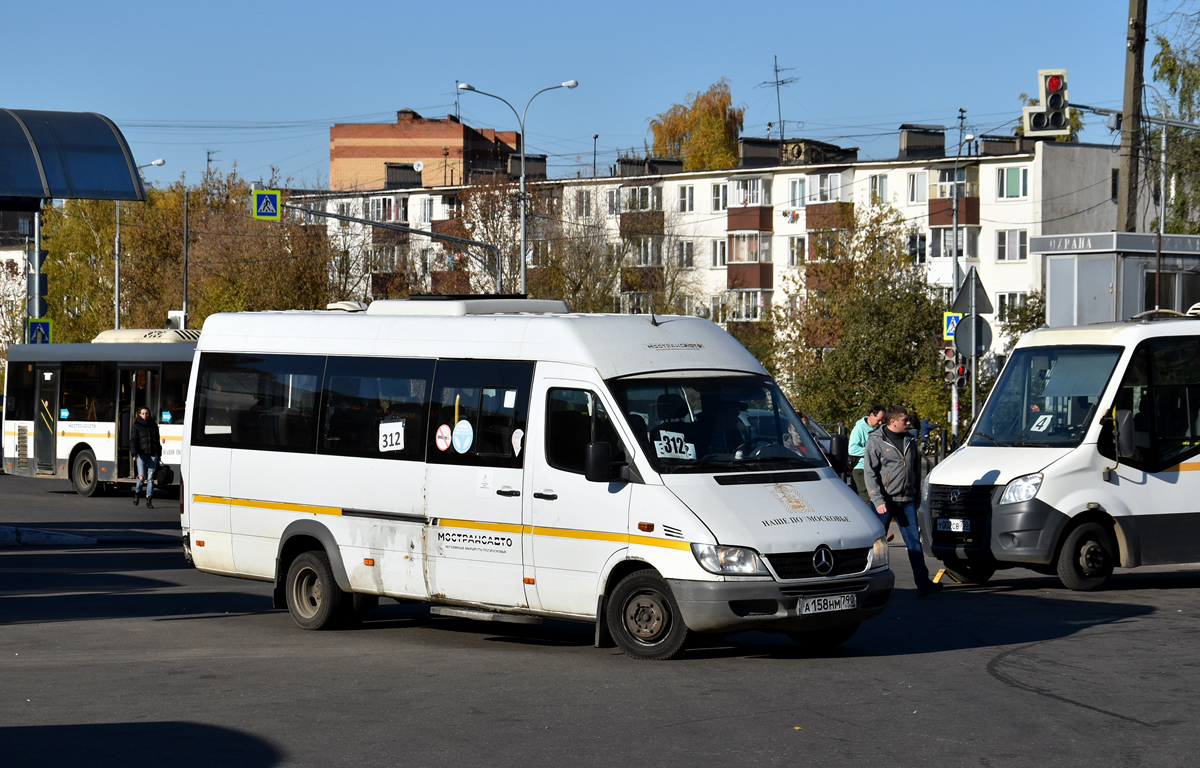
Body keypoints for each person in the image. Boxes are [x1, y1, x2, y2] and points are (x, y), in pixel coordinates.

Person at [864, 404, 941, 597]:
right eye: (905, 420)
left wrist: (916, 497)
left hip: (906, 500)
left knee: (914, 543)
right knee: (876, 545)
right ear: (893, 422)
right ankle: (867, 585)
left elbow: (915, 470)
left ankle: (923, 583)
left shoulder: (910, 440)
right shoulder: (876, 440)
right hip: (884, 502)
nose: (909, 423)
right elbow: (870, 473)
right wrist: (877, 499)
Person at [848, 404, 885, 504]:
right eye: (879, 420)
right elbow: (852, 449)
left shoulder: (880, 430)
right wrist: (871, 451)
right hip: (861, 468)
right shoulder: (859, 429)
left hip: (876, 468)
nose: (880, 423)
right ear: (871, 415)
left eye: (882, 420)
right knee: (867, 499)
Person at [130, 406, 162, 508]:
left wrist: (159, 454)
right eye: (143, 414)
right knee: (141, 477)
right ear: (139, 414)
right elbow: (133, 441)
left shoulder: (153, 425)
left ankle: (149, 499)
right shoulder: (136, 426)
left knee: (151, 478)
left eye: (146, 413)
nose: (145, 415)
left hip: (153, 454)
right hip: (141, 454)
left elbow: (157, 441)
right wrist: (134, 453)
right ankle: (137, 493)